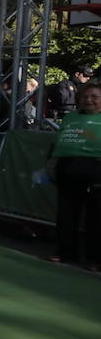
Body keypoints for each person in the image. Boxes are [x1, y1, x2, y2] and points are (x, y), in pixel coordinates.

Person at [46, 82, 101, 269]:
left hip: (96, 168)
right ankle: (66, 251)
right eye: (85, 96)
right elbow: (59, 141)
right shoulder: (70, 117)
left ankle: (95, 258)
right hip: (68, 167)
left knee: (96, 216)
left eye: (94, 97)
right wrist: (52, 164)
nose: (89, 100)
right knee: (66, 213)